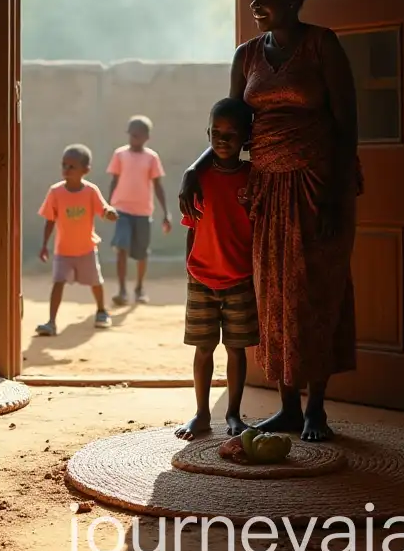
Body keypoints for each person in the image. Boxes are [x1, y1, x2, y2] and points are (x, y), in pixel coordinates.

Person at [178, 0, 362, 443]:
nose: (255, 2)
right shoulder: (247, 56)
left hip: (318, 187)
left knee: (315, 294)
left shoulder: (323, 46)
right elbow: (234, 126)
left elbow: (347, 129)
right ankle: (286, 407)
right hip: (265, 190)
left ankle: (316, 409)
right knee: (275, 297)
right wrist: (195, 167)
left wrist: (338, 200)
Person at [175, 97, 259, 441]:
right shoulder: (199, 179)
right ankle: (201, 413)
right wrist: (190, 268)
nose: (223, 140)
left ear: (246, 139)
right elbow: (191, 227)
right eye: (216, 132)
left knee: (236, 349)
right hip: (202, 279)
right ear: (207, 134)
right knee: (203, 348)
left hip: (240, 279)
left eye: (232, 134)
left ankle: (234, 415)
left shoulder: (252, 178)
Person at [35, 144, 120, 336]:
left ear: (86, 170)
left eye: (71, 166)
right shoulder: (55, 192)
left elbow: (103, 209)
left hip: (86, 249)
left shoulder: (90, 191)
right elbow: (50, 219)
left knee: (95, 282)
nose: (66, 169)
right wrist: (44, 246)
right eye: (64, 165)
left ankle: (101, 311)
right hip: (62, 251)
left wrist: (109, 213)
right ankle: (51, 322)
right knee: (58, 283)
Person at [106, 115, 172, 306]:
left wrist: (166, 212)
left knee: (142, 253)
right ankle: (121, 290)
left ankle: (139, 287)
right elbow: (114, 181)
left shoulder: (152, 158)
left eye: (138, 135)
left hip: (143, 212)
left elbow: (158, 185)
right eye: (132, 135)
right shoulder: (120, 154)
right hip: (121, 210)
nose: (134, 139)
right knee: (121, 248)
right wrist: (108, 206)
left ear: (146, 137)